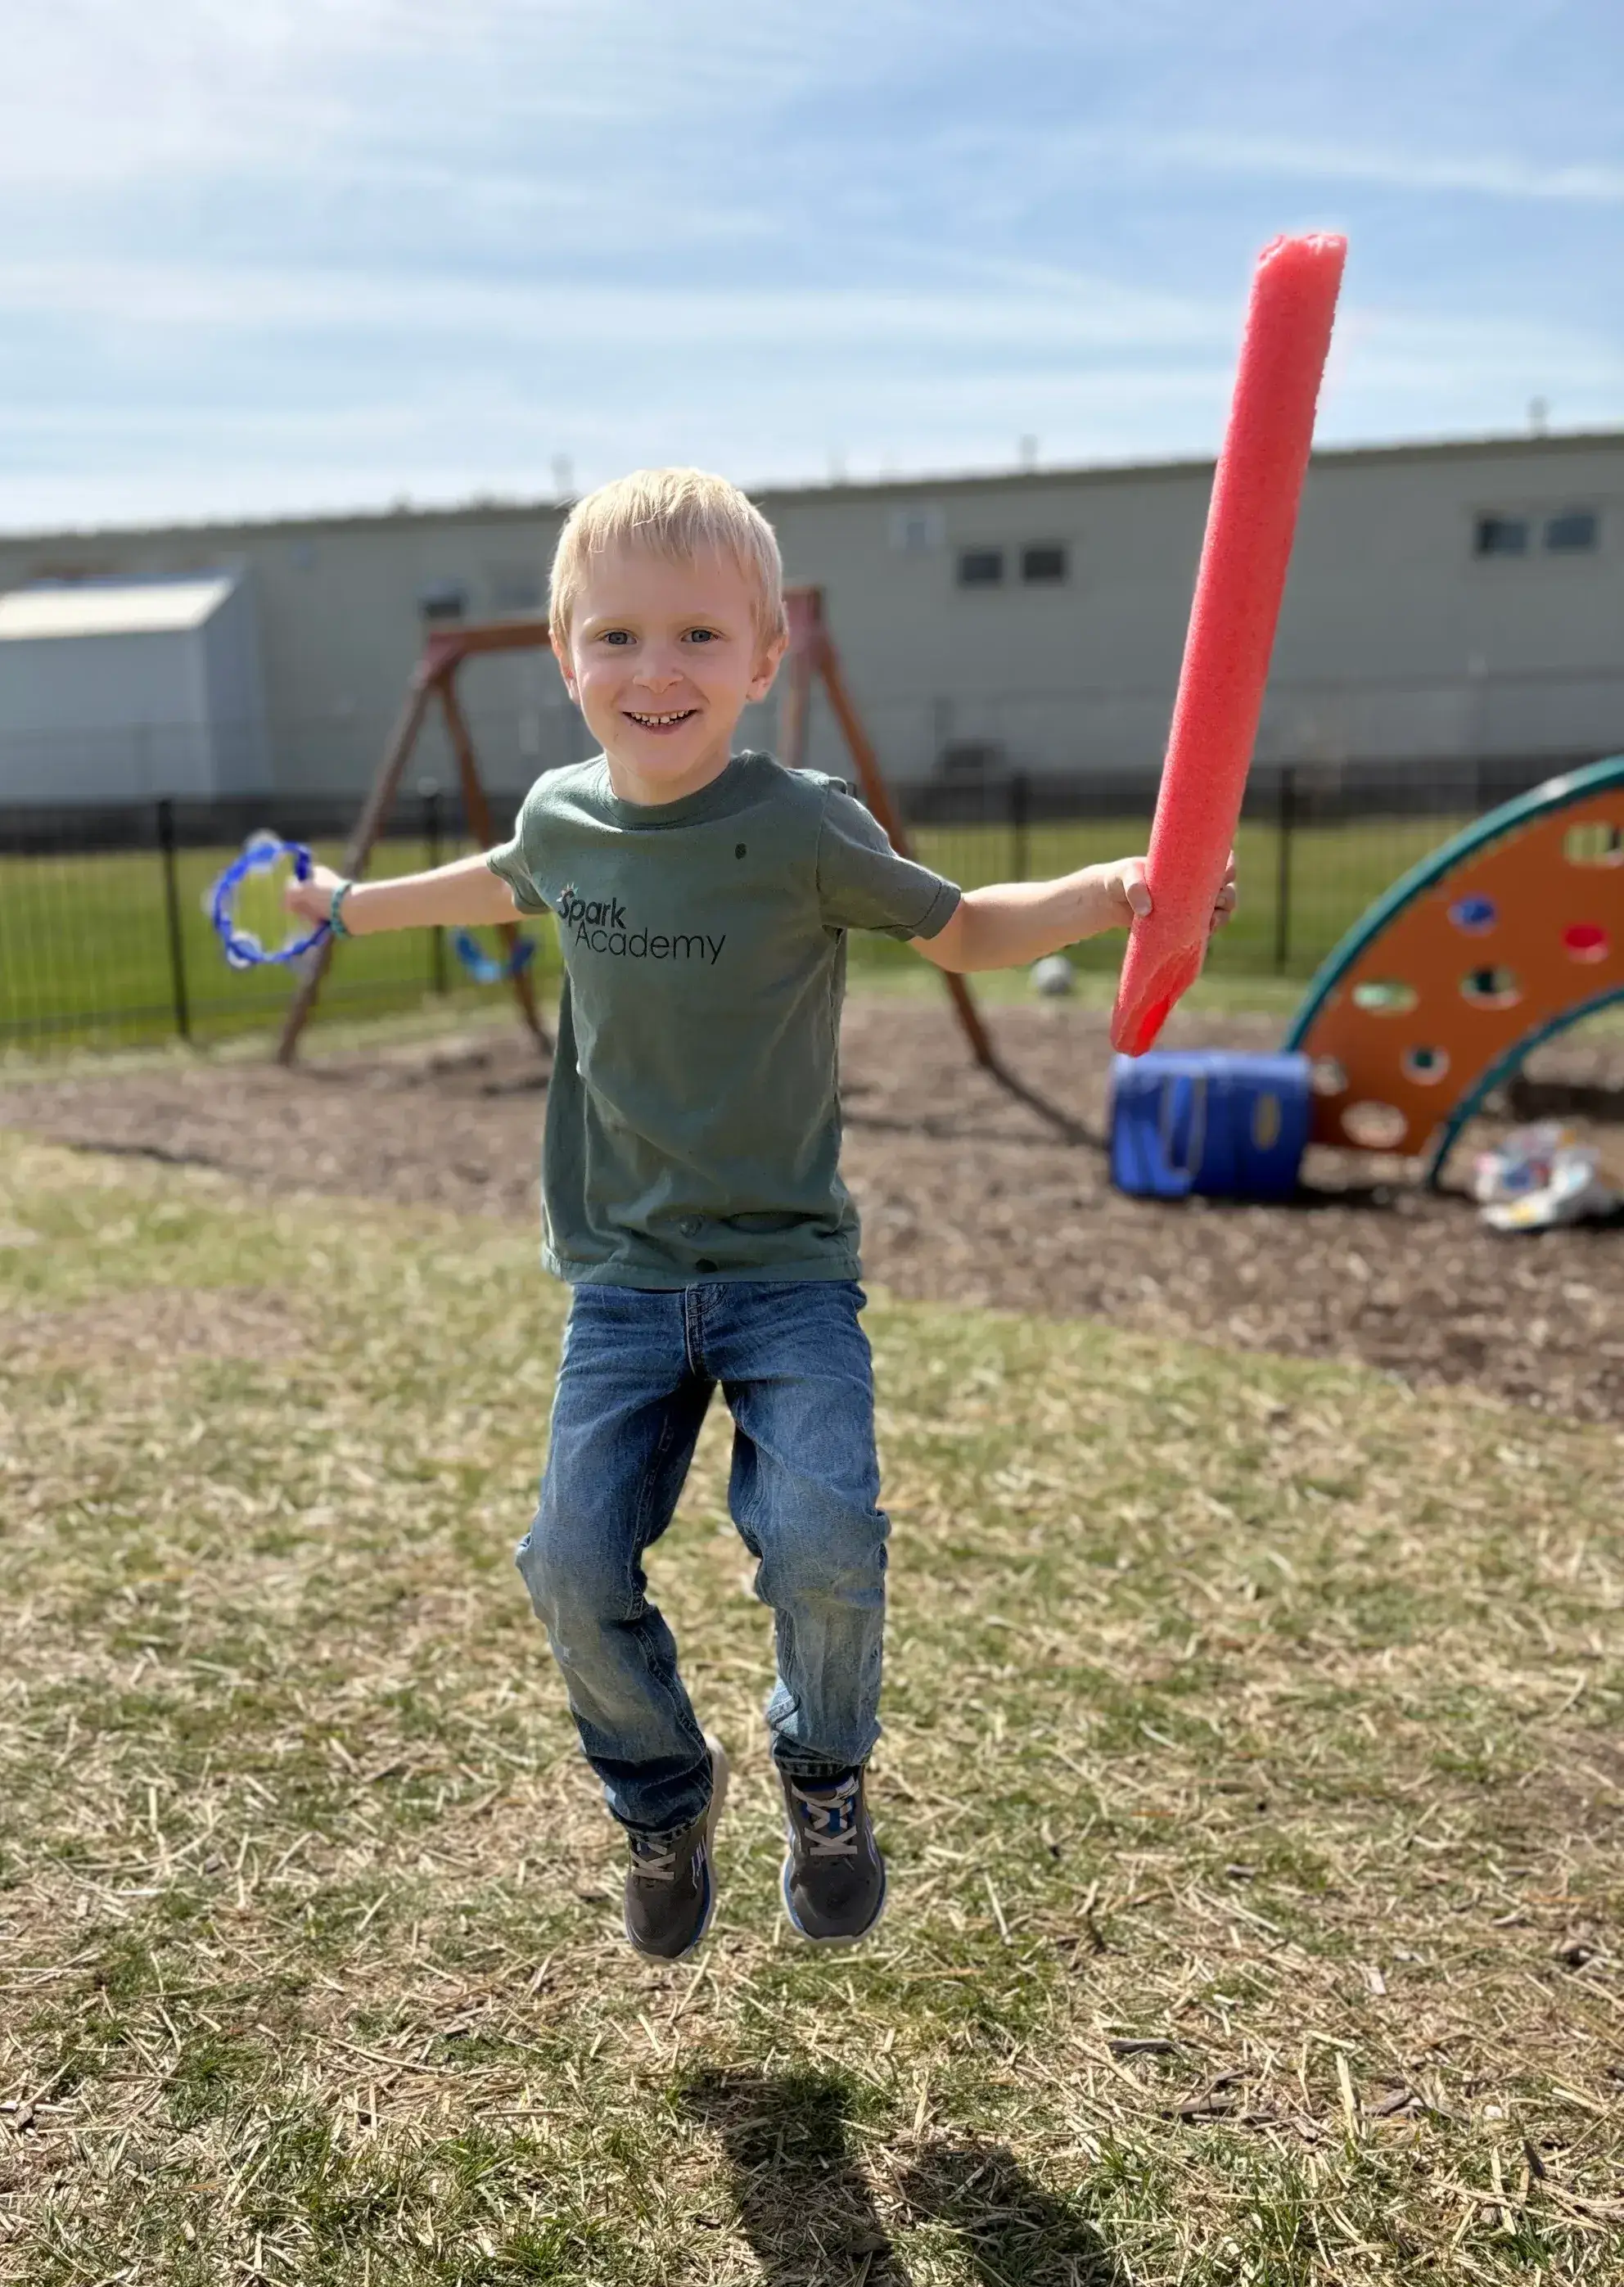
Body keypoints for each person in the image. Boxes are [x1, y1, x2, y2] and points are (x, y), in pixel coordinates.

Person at [286, 468, 1234, 1962]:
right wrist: (347, 902)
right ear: (566, 657)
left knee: (821, 1537)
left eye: (698, 637)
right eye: (616, 636)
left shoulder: (803, 826)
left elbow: (964, 929)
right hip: (623, 1279)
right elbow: (496, 883)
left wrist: (1110, 890)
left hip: (786, 1273)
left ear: (764, 658)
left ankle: (824, 1774)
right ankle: (664, 1800)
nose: (654, 669)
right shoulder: (562, 817)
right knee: (569, 1565)